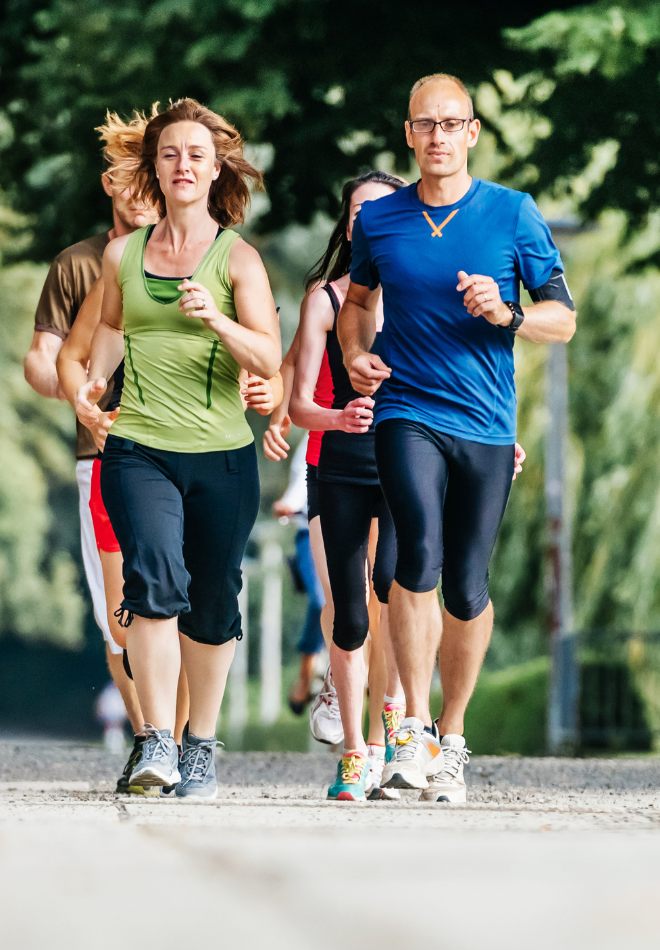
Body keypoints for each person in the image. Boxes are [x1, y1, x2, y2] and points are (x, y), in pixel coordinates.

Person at [338, 75, 577, 802]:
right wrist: (354, 355)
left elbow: (561, 319)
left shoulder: (512, 214)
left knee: (468, 587)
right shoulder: (381, 222)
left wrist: (506, 314)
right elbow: (357, 304)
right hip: (407, 410)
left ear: (472, 133)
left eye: (452, 124)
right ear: (408, 135)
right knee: (417, 553)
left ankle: (452, 736)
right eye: (425, 125)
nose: (438, 136)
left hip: (486, 423)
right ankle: (408, 729)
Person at [64, 98, 282, 799]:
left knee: (213, 600)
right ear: (153, 168)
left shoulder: (238, 258)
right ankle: (156, 738)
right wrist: (89, 389)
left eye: (195, 154)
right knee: (153, 581)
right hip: (139, 448)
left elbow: (269, 359)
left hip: (221, 455)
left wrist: (216, 318)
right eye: (169, 154)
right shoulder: (123, 252)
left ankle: (199, 746)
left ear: (215, 168)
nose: (182, 165)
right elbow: (107, 330)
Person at [25, 110, 167, 795]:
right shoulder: (78, 265)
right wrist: (70, 386)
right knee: (118, 614)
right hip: (101, 455)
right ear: (109, 182)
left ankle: (184, 738)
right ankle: (147, 738)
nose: (139, 190)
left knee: (183, 599)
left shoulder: (198, 255)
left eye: (151, 176)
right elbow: (45, 358)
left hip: (183, 449)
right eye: (126, 176)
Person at [290, 170, 409, 800]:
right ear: (346, 224)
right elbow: (297, 402)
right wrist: (334, 417)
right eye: (357, 210)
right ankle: (355, 752)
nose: (368, 220)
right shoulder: (325, 301)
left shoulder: (424, 294)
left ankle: (397, 729)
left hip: (410, 462)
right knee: (351, 608)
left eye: (382, 209)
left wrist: (498, 435)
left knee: (395, 589)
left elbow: (465, 375)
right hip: (339, 465)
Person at [269, 434, 329, 716]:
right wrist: (289, 503)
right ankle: (307, 669)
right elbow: (302, 479)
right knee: (321, 601)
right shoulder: (314, 431)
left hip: (360, 533)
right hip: (313, 531)